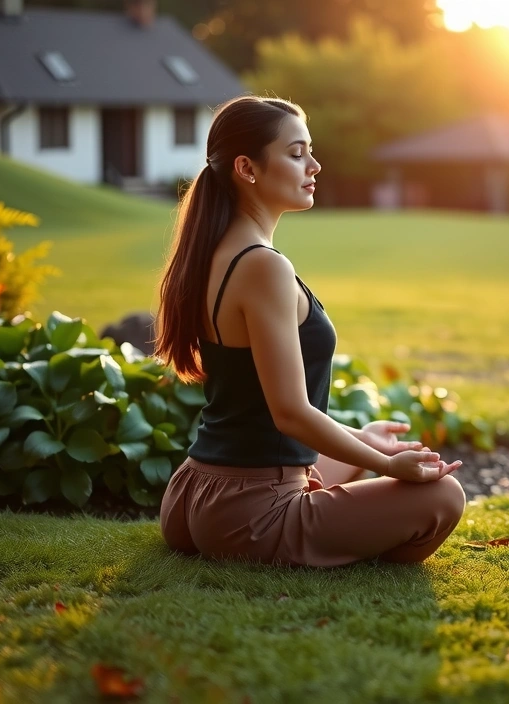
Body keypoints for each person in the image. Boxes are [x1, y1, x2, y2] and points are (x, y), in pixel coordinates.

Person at [155, 96, 466, 567]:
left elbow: (267, 410)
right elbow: (291, 414)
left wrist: (364, 441)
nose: (314, 165)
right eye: (297, 153)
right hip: (250, 513)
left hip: (194, 491)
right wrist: (389, 464)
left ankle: (348, 472)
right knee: (444, 496)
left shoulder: (214, 250)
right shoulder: (262, 267)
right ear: (247, 167)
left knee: (359, 454)